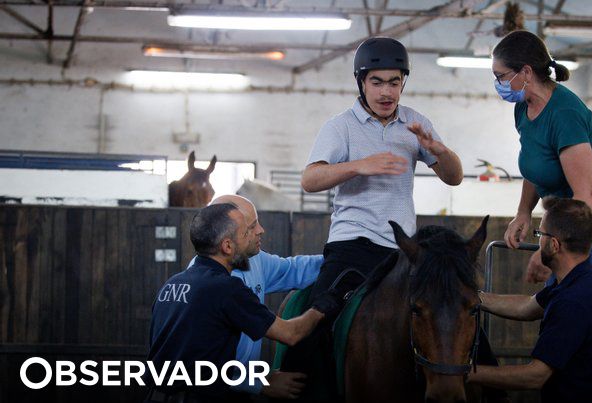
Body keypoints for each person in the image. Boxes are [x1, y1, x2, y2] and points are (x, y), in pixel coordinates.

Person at [283, 35, 464, 393]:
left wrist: (438, 149)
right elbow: (310, 179)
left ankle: (484, 385)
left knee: (455, 307)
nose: (386, 92)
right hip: (352, 245)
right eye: (377, 82)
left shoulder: (416, 123)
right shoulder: (340, 126)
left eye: (394, 82)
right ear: (361, 83)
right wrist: (359, 165)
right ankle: (303, 391)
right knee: (318, 319)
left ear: (403, 83)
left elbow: (454, 177)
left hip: (403, 252)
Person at [146, 203, 339, 403]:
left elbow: (195, 358)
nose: (257, 232)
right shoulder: (227, 289)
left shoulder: (172, 284)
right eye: (247, 231)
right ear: (228, 246)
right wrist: (323, 306)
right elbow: (290, 334)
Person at [492, 30, 592, 285]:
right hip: (569, 214)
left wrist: (548, 249)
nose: (498, 84)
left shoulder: (564, 114)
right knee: (559, 295)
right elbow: (535, 166)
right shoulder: (524, 108)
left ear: (526, 72)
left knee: (579, 292)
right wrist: (523, 212)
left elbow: (588, 194)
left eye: (501, 76)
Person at [469, 197, 592, 403]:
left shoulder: (575, 301)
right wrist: (473, 298)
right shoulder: (582, 280)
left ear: (555, 244)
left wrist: (464, 372)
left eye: (540, 234)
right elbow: (527, 306)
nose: (538, 240)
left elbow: (535, 376)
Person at [193, 195, 324, 399]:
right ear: (228, 241)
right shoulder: (214, 287)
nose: (260, 230)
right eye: (250, 227)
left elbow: (293, 270)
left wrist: (337, 260)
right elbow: (196, 365)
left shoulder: (253, 261)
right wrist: (258, 383)